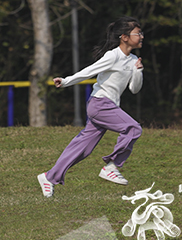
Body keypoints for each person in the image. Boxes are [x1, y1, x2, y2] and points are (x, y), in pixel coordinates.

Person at [37, 16, 144, 198]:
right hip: (101, 104)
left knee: (82, 148)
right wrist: (65, 81)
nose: (142, 36)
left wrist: (138, 71)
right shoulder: (113, 56)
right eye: (138, 33)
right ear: (124, 37)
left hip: (107, 106)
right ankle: (111, 166)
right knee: (133, 128)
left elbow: (134, 89)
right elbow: (89, 71)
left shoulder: (133, 60)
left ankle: (49, 176)